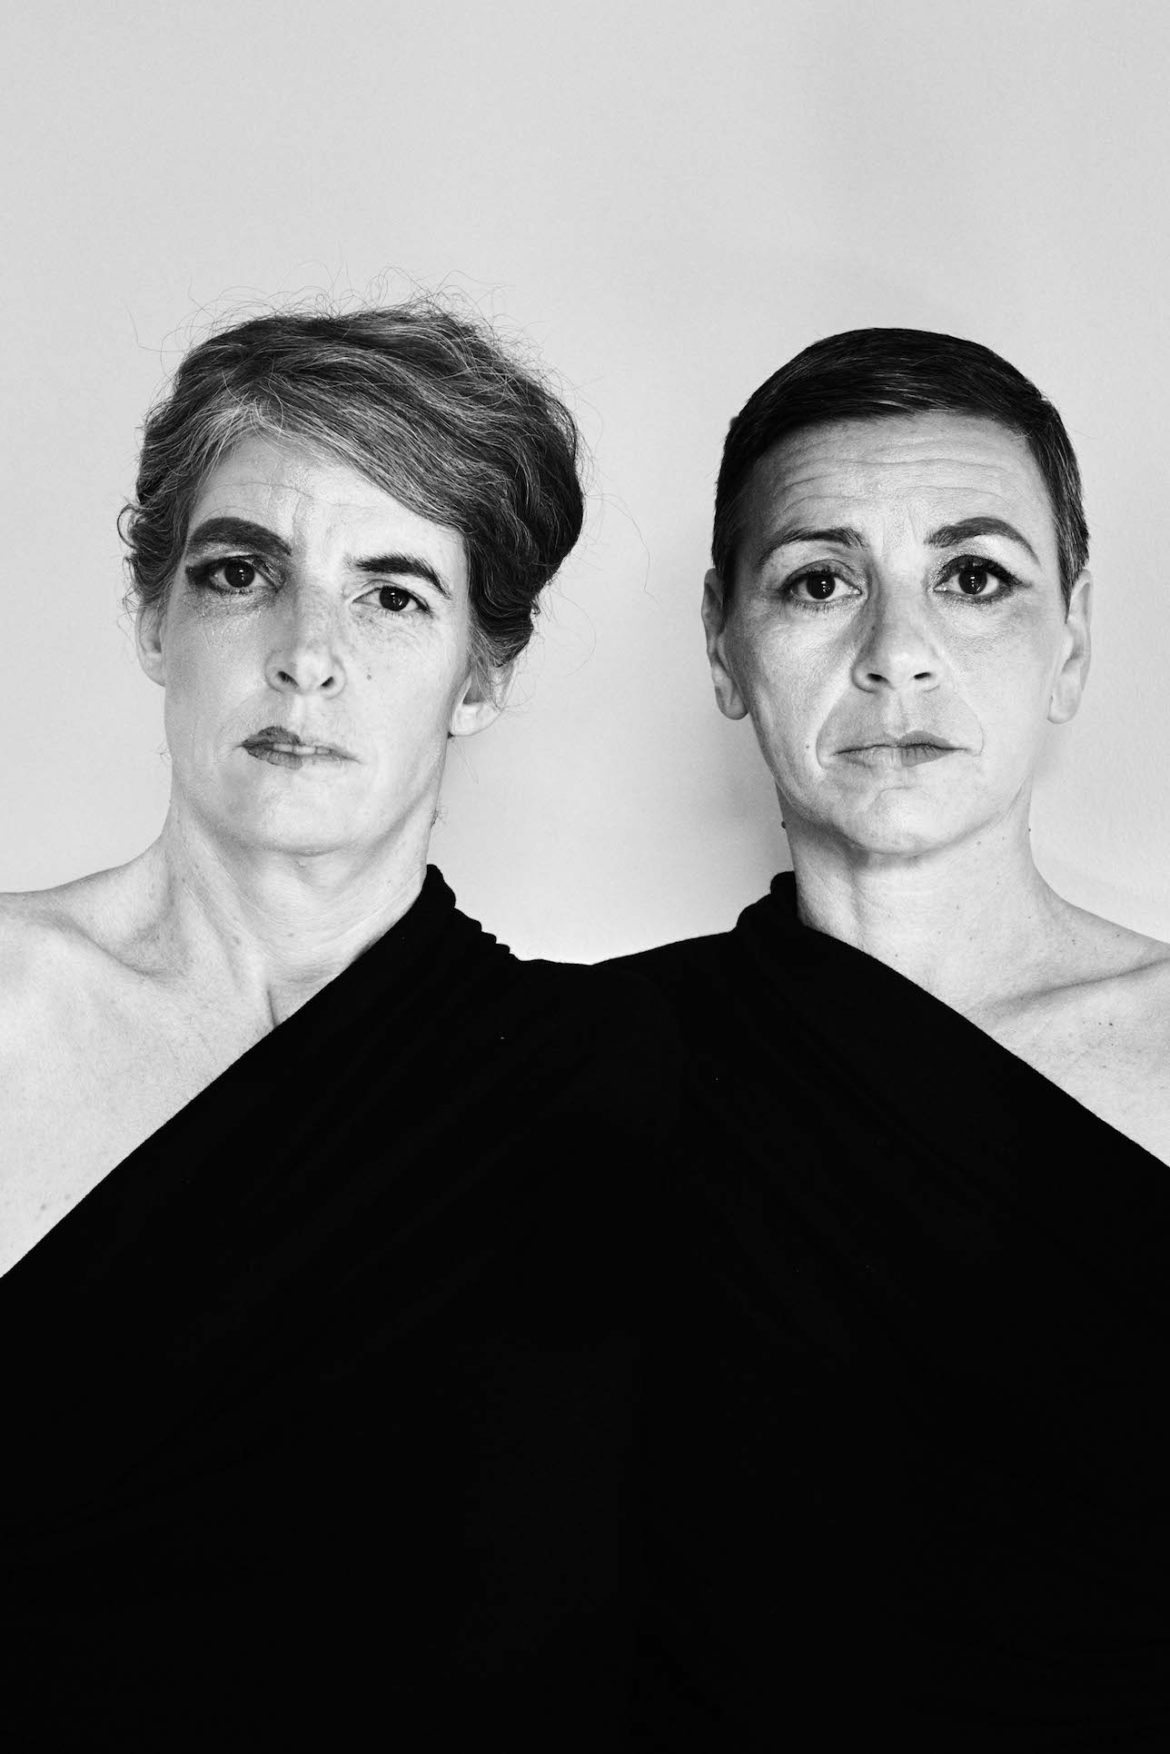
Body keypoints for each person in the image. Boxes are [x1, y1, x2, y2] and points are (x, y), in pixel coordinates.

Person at [0, 302, 672, 1748]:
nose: (307, 655)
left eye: (393, 595)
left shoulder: (608, 1096)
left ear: (483, 672)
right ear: (154, 618)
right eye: (241, 572)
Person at [621, 330, 1170, 1749]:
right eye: (819, 581)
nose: (896, 655)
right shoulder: (582, 1068)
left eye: (973, 577)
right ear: (723, 642)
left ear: (1073, 640)